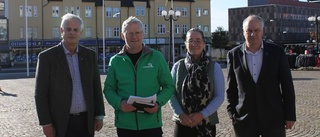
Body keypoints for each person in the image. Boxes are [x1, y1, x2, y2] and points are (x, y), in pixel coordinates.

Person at [35, 13, 105, 137]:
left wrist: (99, 115)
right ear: (62, 31)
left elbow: (96, 87)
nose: (72, 32)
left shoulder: (90, 56)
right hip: (60, 122)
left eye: (76, 29)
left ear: (81, 32)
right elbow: (40, 94)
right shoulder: (47, 57)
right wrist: (46, 123)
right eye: (68, 29)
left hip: (86, 121)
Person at [103, 16, 174, 137]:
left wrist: (158, 103)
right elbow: (108, 89)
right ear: (122, 35)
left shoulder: (156, 57)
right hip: (125, 125)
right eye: (130, 33)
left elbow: (169, 86)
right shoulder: (115, 61)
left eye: (137, 33)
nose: (134, 37)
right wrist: (120, 104)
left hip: (151, 124)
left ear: (143, 34)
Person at [226, 14, 296, 137]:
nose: (253, 34)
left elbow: (287, 86)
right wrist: (232, 113)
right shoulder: (233, 55)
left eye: (257, 30)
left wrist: (290, 115)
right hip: (244, 120)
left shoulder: (277, 52)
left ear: (262, 30)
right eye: (249, 31)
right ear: (243, 32)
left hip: (273, 118)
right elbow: (231, 87)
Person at [169, 28, 225, 137]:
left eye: (198, 40)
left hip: (206, 123)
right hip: (182, 123)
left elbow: (219, 96)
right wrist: (181, 114)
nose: (194, 44)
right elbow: (171, 93)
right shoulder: (178, 66)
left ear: (204, 44)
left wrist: (201, 115)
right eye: (190, 40)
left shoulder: (214, 67)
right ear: (185, 44)